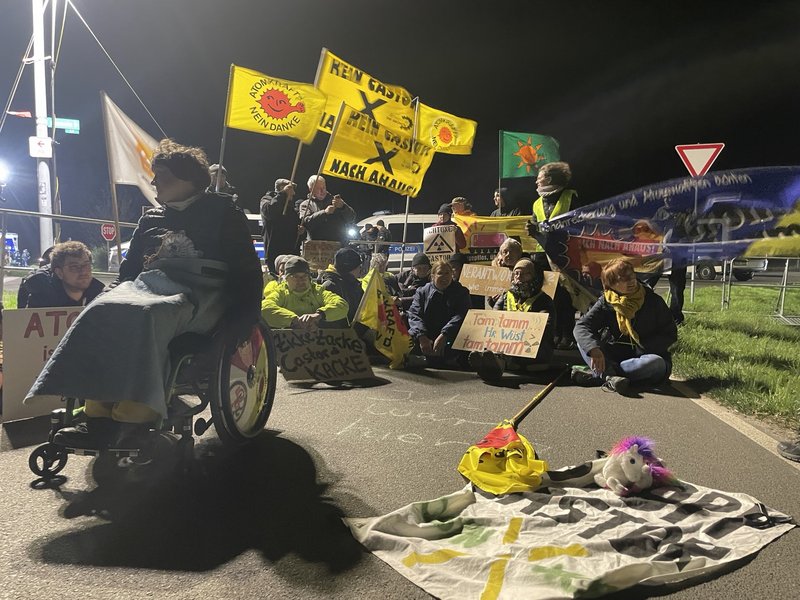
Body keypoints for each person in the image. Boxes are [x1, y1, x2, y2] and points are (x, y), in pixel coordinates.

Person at [27, 139, 263, 449]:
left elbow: (246, 269)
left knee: (148, 314)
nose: (153, 182)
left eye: (161, 176)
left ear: (189, 179)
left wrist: (244, 317)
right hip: (149, 285)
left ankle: (136, 416)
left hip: (202, 292)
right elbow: (129, 271)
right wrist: (106, 296)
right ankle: (97, 416)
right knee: (101, 311)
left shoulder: (223, 212)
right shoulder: (150, 219)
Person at [572, 258, 677, 395]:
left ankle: (602, 376)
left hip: (643, 356)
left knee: (655, 363)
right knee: (585, 344)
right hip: (614, 354)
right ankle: (611, 378)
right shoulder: (606, 302)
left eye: (632, 276)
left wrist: (642, 349)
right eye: (624, 279)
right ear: (611, 284)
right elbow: (582, 326)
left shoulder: (653, 300)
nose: (631, 281)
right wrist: (594, 350)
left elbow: (670, 334)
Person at [470, 259, 555, 379]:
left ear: (536, 277)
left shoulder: (544, 300)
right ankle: (489, 362)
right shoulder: (505, 296)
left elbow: (546, 328)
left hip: (532, 347)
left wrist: (519, 335)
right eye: (516, 273)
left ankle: (496, 364)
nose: (519, 276)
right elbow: (493, 319)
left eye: (525, 274)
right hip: (506, 343)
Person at [526, 161, 578, 349]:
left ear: (548, 179)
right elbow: (535, 225)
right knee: (549, 297)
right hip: (542, 256)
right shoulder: (537, 203)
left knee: (566, 297)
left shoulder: (570, 197)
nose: (536, 182)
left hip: (564, 256)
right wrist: (531, 229)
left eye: (539, 178)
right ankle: (553, 334)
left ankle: (567, 335)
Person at [406, 261, 471, 368]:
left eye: (447, 273)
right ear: (433, 276)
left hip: (449, 335)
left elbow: (461, 315)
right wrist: (421, 336)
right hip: (426, 335)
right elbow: (414, 314)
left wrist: (444, 334)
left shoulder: (461, 292)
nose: (444, 277)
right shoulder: (422, 292)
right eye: (440, 273)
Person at [261, 256, 348, 329]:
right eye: (295, 277)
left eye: (304, 276)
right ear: (286, 279)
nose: (301, 280)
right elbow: (264, 309)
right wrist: (294, 320)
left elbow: (342, 305)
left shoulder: (317, 291)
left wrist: (318, 316)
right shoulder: (281, 292)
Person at [17, 241, 105, 308]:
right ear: (59, 273)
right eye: (74, 267)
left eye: (86, 265)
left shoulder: (99, 292)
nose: (83, 271)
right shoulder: (41, 292)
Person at [297, 175, 356, 247]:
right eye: (318, 188)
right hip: (315, 247)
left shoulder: (336, 201)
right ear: (311, 189)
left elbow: (352, 218)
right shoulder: (306, 204)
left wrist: (343, 207)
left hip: (338, 245)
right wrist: (324, 212)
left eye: (324, 187)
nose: (322, 191)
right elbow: (306, 223)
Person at [260, 178, 304, 273]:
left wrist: (300, 231)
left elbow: (297, 226)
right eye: (291, 189)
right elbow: (269, 212)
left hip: (290, 252)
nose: (293, 193)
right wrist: (283, 194)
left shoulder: (291, 207)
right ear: (282, 188)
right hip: (274, 252)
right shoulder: (267, 199)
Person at [318, 247, 364, 324]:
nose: (360, 270)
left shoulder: (350, 283)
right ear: (351, 268)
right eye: (359, 267)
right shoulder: (331, 286)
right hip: (341, 330)